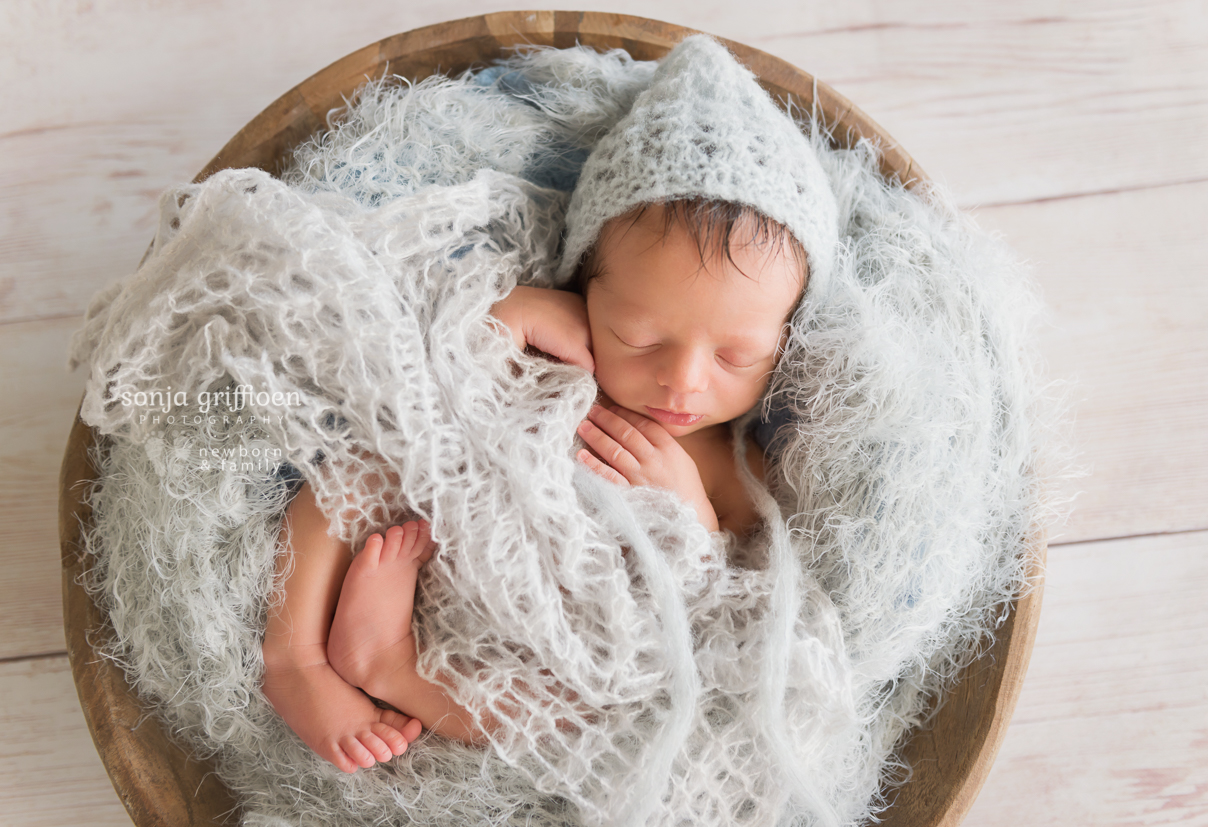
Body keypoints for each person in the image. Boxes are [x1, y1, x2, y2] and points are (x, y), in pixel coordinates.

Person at [260, 33, 839, 774]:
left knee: (589, 709)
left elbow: (734, 583)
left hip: (566, 624)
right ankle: (295, 658)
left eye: (737, 357)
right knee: (357, 459)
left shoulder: (731, 456)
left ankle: (390, 668)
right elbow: (420, 377)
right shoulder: (559, 349)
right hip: (446, 524)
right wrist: (511, 314)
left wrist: (692, 513)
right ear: (583, 285)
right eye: (639, 335)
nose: (684, 382)